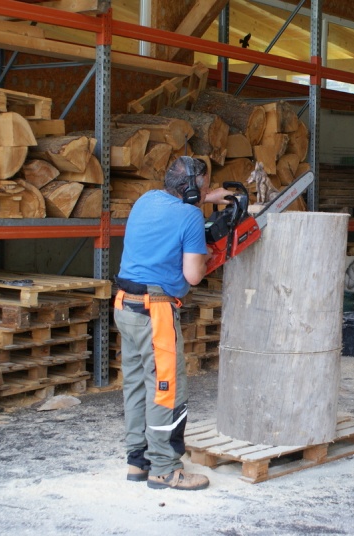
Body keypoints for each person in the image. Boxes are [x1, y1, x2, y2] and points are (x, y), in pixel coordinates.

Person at [114, 156, 231, 491]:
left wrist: (211, 197)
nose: (206, 190)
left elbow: (175, 212)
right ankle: (165, 468)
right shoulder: (190, 217)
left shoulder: (147, 199)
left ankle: (138, 461)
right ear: (193, 188)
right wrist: (205, 255)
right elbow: (193, 276)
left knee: (137, 385)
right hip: (156, 312)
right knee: (167, 389)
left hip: (125, 305)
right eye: (205, 185)